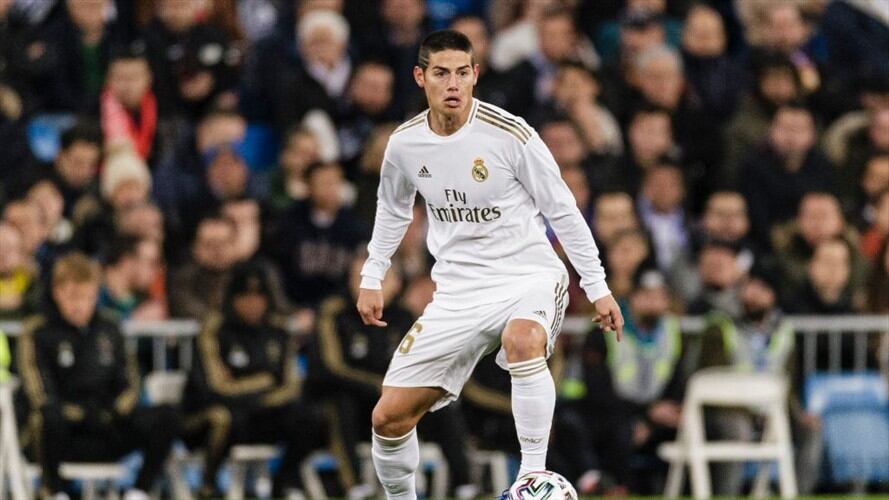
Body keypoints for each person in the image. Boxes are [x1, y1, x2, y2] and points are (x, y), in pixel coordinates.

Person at [356, 30, 624, 498]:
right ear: (421, 78)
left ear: (476, 74)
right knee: (388, 416)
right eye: (441, 73)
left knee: (523, 340)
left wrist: (597, 286)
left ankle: (531, 481)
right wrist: (372, 275)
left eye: (463, 72)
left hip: (528, 275)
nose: (453, 83)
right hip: (458, 292)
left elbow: (562, 209)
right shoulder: (404, 145)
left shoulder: (511, 134)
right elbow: (393, 210)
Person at [16, 252, 179, 500]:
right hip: (64, 430)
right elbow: (38, 392)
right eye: (73, 296)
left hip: (107, 424)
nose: (79, 305)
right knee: (46, 418)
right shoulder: (38, 331)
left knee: (166, 415)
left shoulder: (110, 327)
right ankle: (55, 492)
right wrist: (78, 414)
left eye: (87, 297)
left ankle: (138, 492)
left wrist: (113, 411)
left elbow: (131, 381)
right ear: (57, 292)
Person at [183, 260, 326, 499]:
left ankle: (282, 484)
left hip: (262, 413)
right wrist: (264, 381)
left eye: (258, 298)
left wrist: (252, 394)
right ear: (233, 298)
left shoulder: (278, 331)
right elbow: (213, 387)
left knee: (312, 418)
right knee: (225, 418)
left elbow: (290, 387)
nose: (252, 305)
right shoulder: (215, 329)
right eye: (245, 297)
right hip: (219, 414)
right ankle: (208, 486)